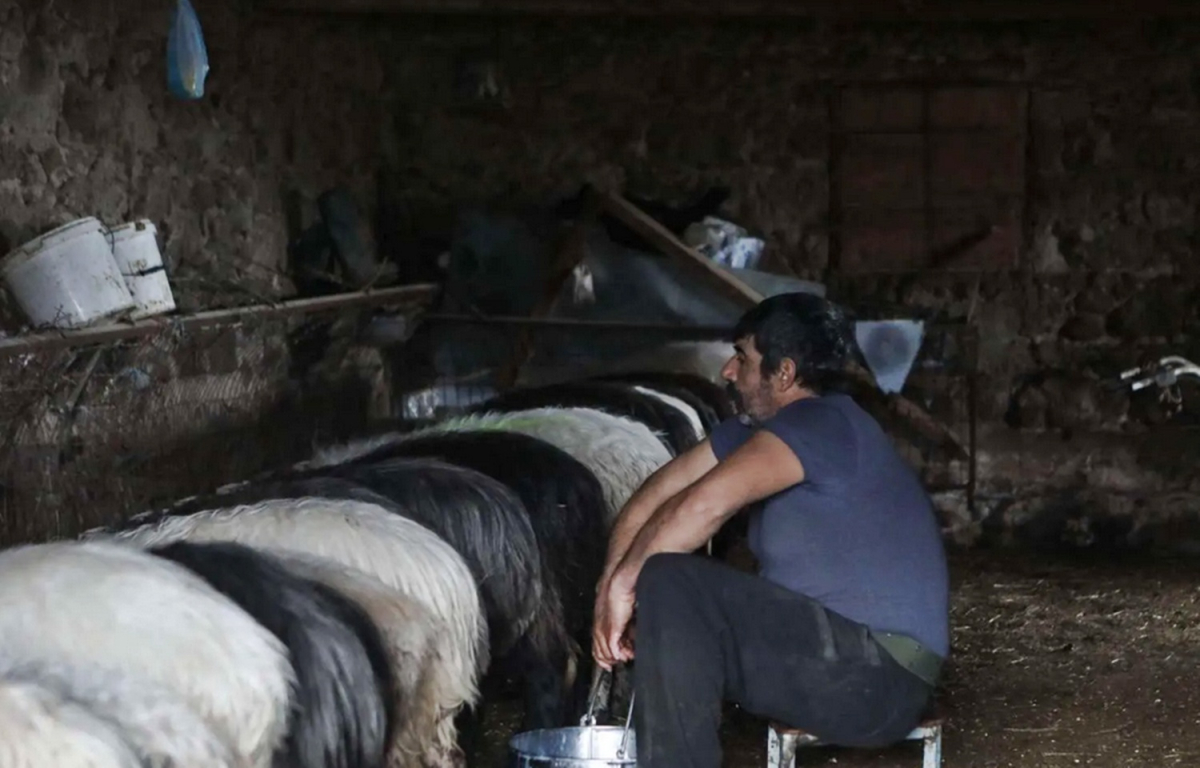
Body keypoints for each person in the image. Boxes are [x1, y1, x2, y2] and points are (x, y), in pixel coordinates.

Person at [591, 292, 950, 768]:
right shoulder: (756, 432)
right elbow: (657, 492)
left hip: (879, 678)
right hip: (835, 658)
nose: (728, 372)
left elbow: (704, 507)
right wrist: (609, 586)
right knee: (664, 596)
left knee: (672, 580)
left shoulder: (822, 424)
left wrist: (627, 583)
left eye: (743, 358)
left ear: (783, 373)